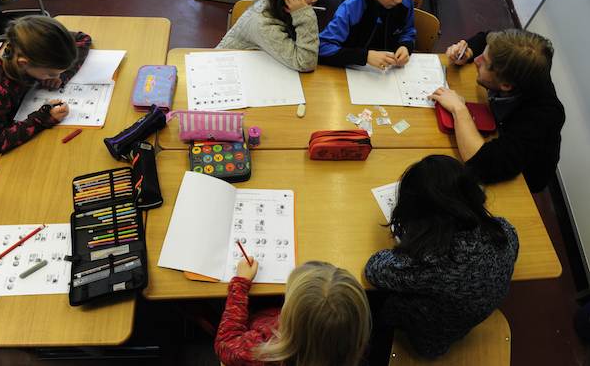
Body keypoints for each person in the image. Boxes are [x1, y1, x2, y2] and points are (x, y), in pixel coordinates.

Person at [364, 155, 519, 358]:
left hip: (431, 339)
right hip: (467, 318)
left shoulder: (434, 262)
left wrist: (414, 242)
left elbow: (374, 269)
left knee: (369, 298)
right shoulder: (505, 231)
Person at [429, 29, 565, 193]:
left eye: (485, 62)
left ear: (506, 85)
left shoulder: (543, 117)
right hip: (499, 129)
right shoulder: (521, 62)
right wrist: (469, 51)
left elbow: (481, 164)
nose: (477, 61)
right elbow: (485, 38)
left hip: (522, 176)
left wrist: (459, 108)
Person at [0, 15, 92, 157]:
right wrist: (42, 118)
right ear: (23, 63)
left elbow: (83, 39)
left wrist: (63, 76)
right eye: (50, 73)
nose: (55, 76)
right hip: (4, 120)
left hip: (22, 101)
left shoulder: (22, 41)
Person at [214, 259, 371, 366]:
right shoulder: (346, 348)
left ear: (289, 317)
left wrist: (240, 284)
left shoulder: (262, 351)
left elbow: (226, 342)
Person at [216, 0, 323, 72]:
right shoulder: (263, 24)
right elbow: (306, 63)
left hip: (253, 68)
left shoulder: (280, 7)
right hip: (226, 72)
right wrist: (305, 17)